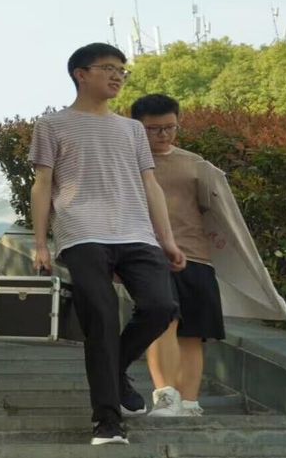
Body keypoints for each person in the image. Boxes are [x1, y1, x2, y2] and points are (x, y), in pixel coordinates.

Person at [29, 43, 185, 445]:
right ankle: (107, 422)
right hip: (81, 232)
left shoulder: (132, 129)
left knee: (161, 306)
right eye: (108, 68)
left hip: (136, 232)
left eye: (121, 70)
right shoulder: (52, 125)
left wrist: (166, 239)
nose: (117, 76)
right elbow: (43, 184)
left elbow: (150, 184)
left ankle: (113, 369)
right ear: (81, 74)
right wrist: (40, 243)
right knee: (100, 318)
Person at [132, 94, 224, 418]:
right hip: (147, 254)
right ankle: (165, 396)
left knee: (194, 331)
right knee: (163, 321)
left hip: (197, 255)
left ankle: (189, 402)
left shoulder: (196, 163)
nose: (164, 135)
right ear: (137, 128)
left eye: (170, 127)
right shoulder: (126, 163)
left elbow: (217, 212)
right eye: (154, 129)